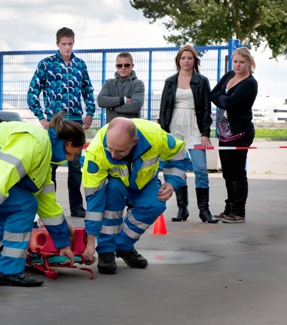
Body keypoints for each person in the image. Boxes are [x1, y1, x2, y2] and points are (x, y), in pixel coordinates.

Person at [0, 113, 86, 287]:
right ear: (68, 144)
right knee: (24, 205)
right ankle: (8, 271)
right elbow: (4, 175)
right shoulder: (34, 142)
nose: (70, 159)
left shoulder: (44, 155)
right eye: (73, 153)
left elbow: (48, 204)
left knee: (8, 215)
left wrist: (63, 242)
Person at [81, 117, 188, 275]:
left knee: (155, 204)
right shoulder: (96, 152)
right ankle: (106, 251)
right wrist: (90, 243)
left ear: (135, 142)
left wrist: (172, 182)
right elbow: (94, 201)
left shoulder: (156, 136)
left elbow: (179, 153)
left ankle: (123, 246)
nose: (114, 154)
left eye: (121, 151)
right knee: (112, 195)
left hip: (145, 180)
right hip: (115, 182)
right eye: (110, 148)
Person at [27, 27, 96, 218]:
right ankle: (49, 207)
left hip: (75, 122)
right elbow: (33, 91)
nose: (67, 47)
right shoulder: (46, 64)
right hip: (54, 122)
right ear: (57, 44)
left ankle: (76, 207)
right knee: (50, 166)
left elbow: (88, 90)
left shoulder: (80, 64)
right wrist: (41, 116)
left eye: (70, 44)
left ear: (74, 43)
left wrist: (90, 112)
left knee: (75, 166)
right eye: (64, 44)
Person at [158, 45, 217, 223]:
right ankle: (182, 209)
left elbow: (206, 108)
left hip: (195, 127)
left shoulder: (202, 81)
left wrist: (205, 132)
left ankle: (204, 210)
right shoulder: (170, 81)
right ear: (178, 60)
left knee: (200, 169)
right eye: (183, 58)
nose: (186, 61)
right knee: (177, 169)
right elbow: (163, 109)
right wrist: (163, 132)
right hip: (175, 128)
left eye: (189, 58)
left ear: (194, 61)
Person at [210, 47, 258, 224]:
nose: (238, 65)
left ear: (249, 63)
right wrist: (222, 98)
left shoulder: (249, 83)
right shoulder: (230, 75)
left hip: (240, 133)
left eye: (242, 62)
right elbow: (213, 94)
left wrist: (222, 99)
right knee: (227, 173)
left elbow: (228, 102)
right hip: (224, 134)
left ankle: (239, 212)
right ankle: (229, 209)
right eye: (235, 61)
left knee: (237, 174)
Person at [97, 52, 145, 123]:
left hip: (131, 129)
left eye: (127, 65)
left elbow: (136, 106)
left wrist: (112, 107)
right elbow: (101, 101)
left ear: (132, 66)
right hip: (112, 128)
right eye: (120, 65)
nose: (123, 68)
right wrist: (124, 100)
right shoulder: (109, 83)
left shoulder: (138, 84)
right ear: (116, 66)